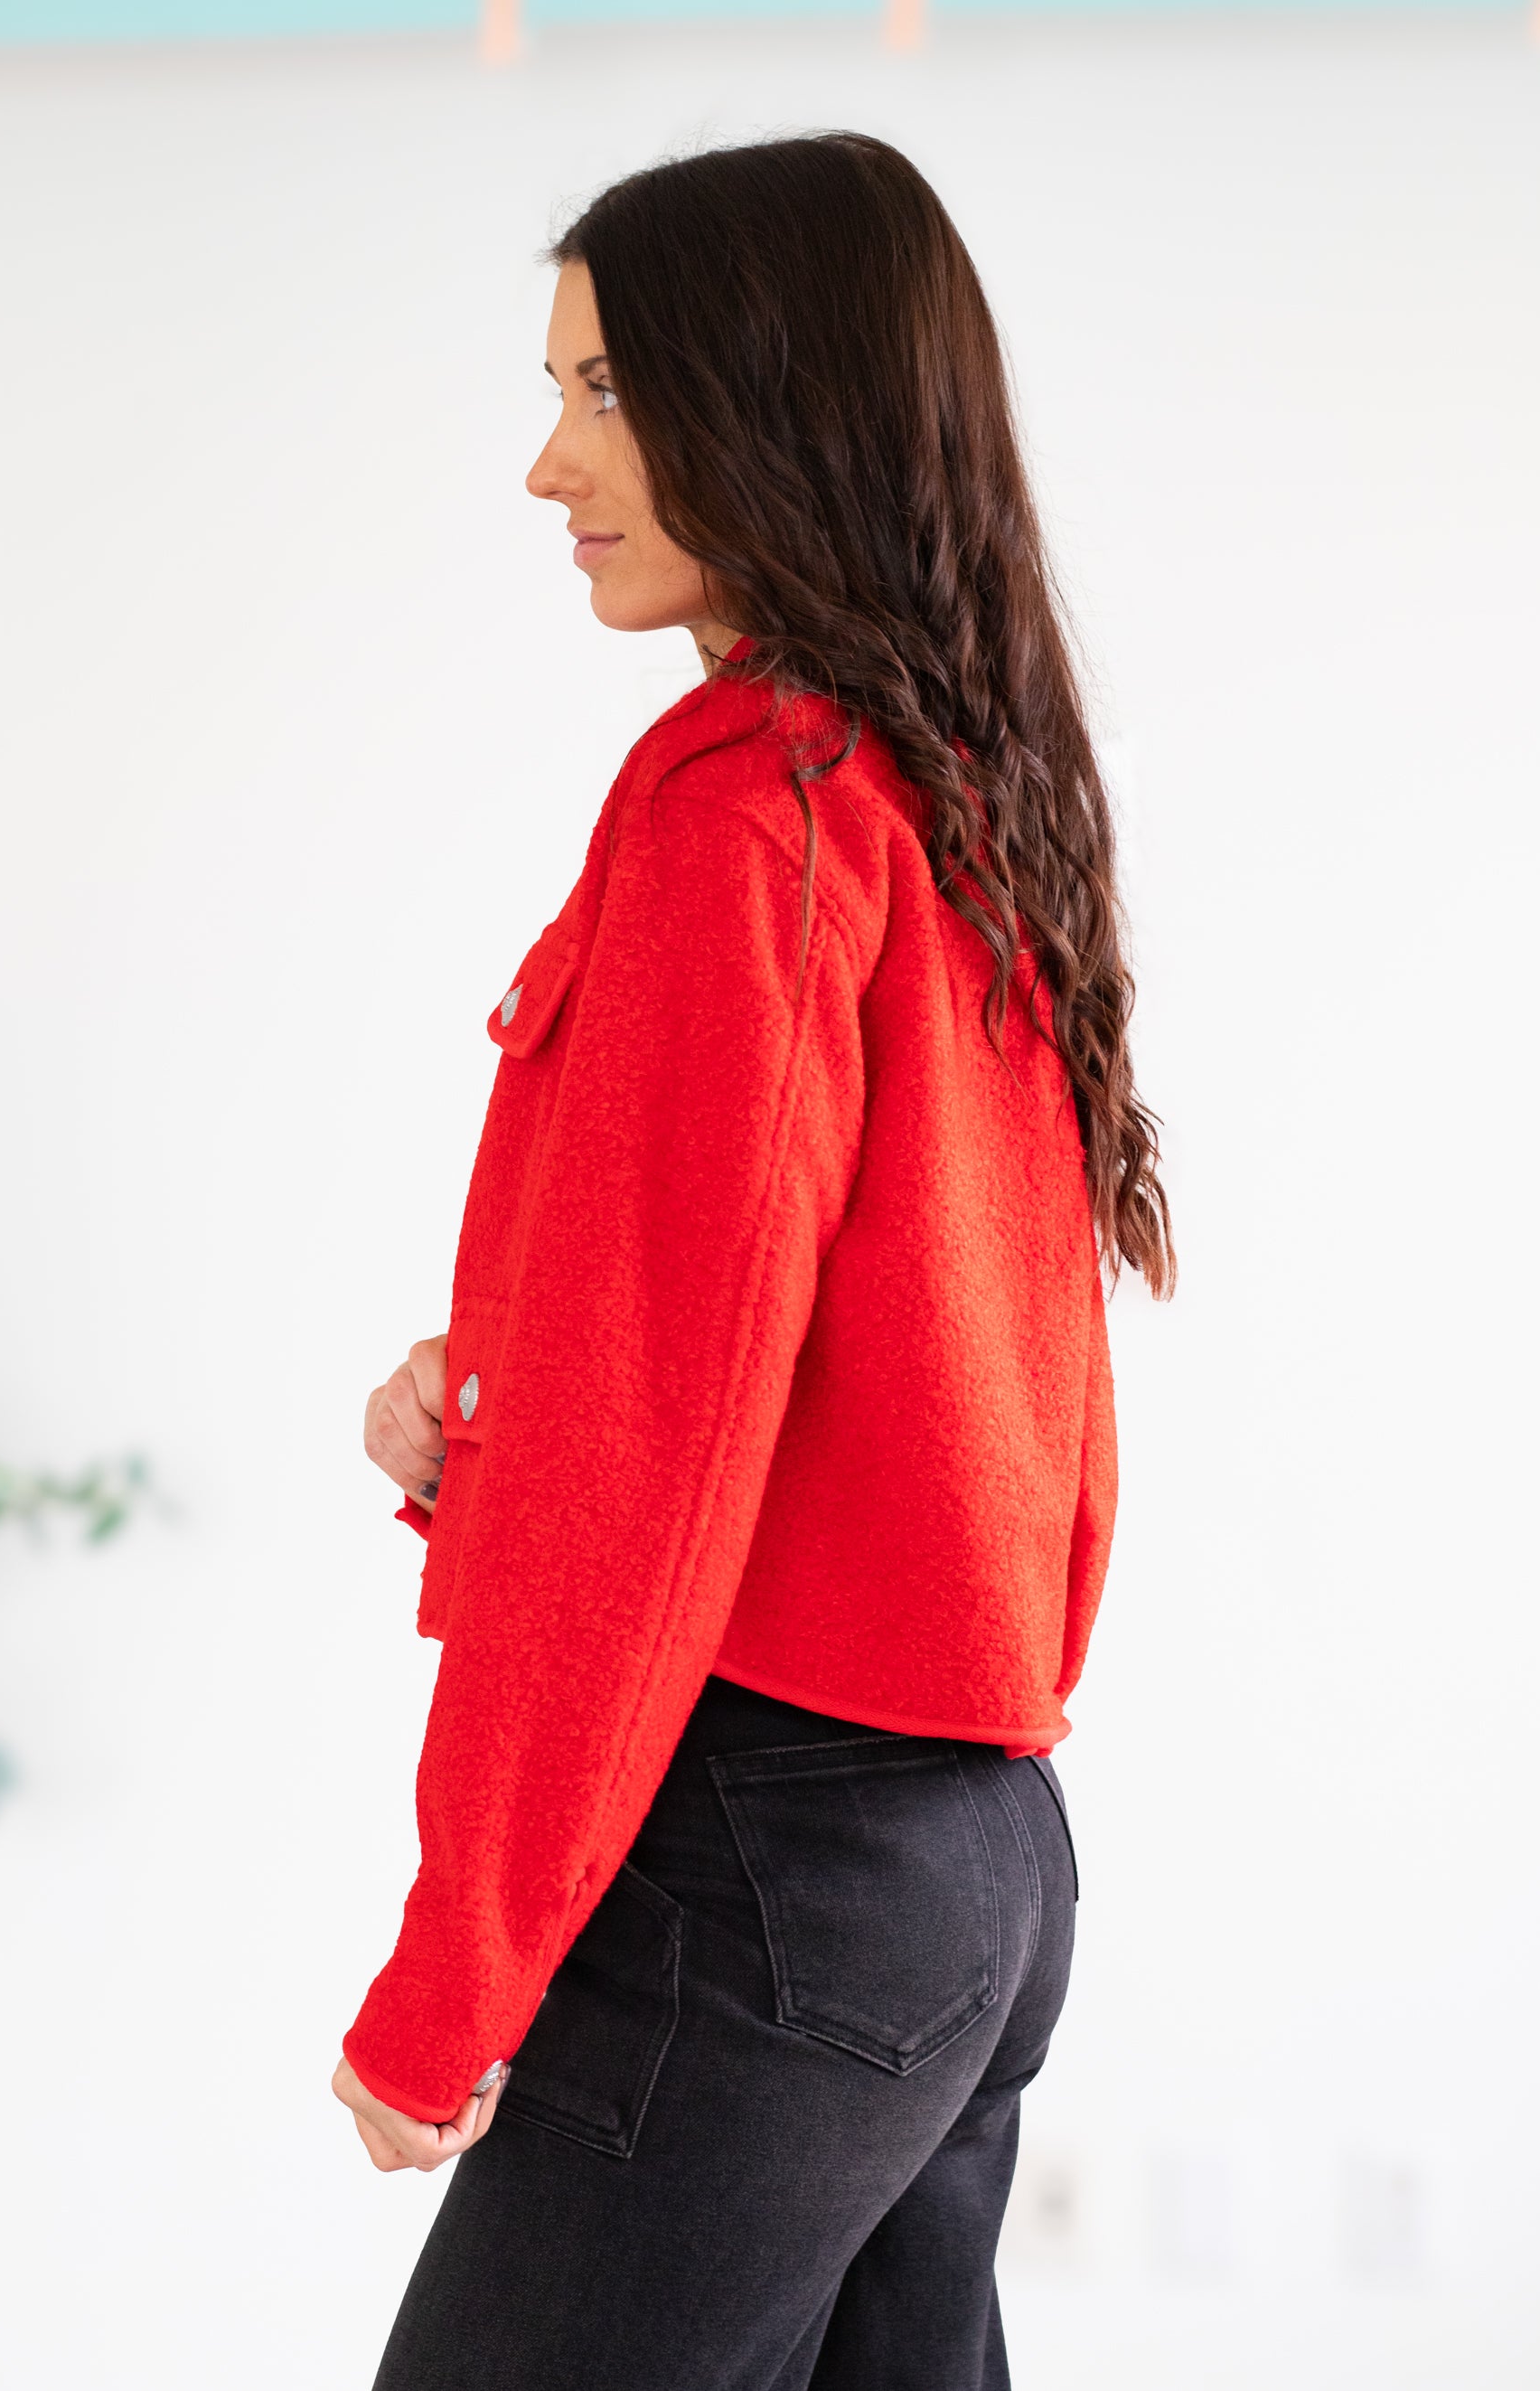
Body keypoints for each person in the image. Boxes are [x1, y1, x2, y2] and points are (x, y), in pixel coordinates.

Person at [332, 132, 1172, 2391]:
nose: (549, 464)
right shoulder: (955, 797)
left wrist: (452, 1976)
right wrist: (485, 1394)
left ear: (772, 399)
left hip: (765, 1873)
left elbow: (654, 1455)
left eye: (605, 391)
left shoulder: (747, 821)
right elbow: (894, 1368)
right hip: (968, 1857)